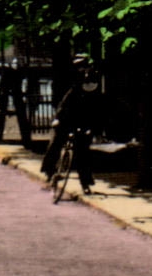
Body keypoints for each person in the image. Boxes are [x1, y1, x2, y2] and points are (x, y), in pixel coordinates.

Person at [42, 55, 106, 194]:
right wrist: (58, 118)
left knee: (83, 151)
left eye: (83, 65)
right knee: (56, 141)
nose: (82, 69)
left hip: (84, 120)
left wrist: (97, 130)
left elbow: (98, 109)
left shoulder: (94, 82)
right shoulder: (71, 83)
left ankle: (86, 182)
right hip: (67, 118)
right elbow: (64, 103)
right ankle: (49, 170)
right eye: (79, 66)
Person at [0, 58, 34, 148]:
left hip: (14, 94)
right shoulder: (12, 73)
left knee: (20, 114)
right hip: (12, 94)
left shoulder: (12, 73)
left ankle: (25, 138)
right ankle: (25, 138)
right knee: (17, 113)